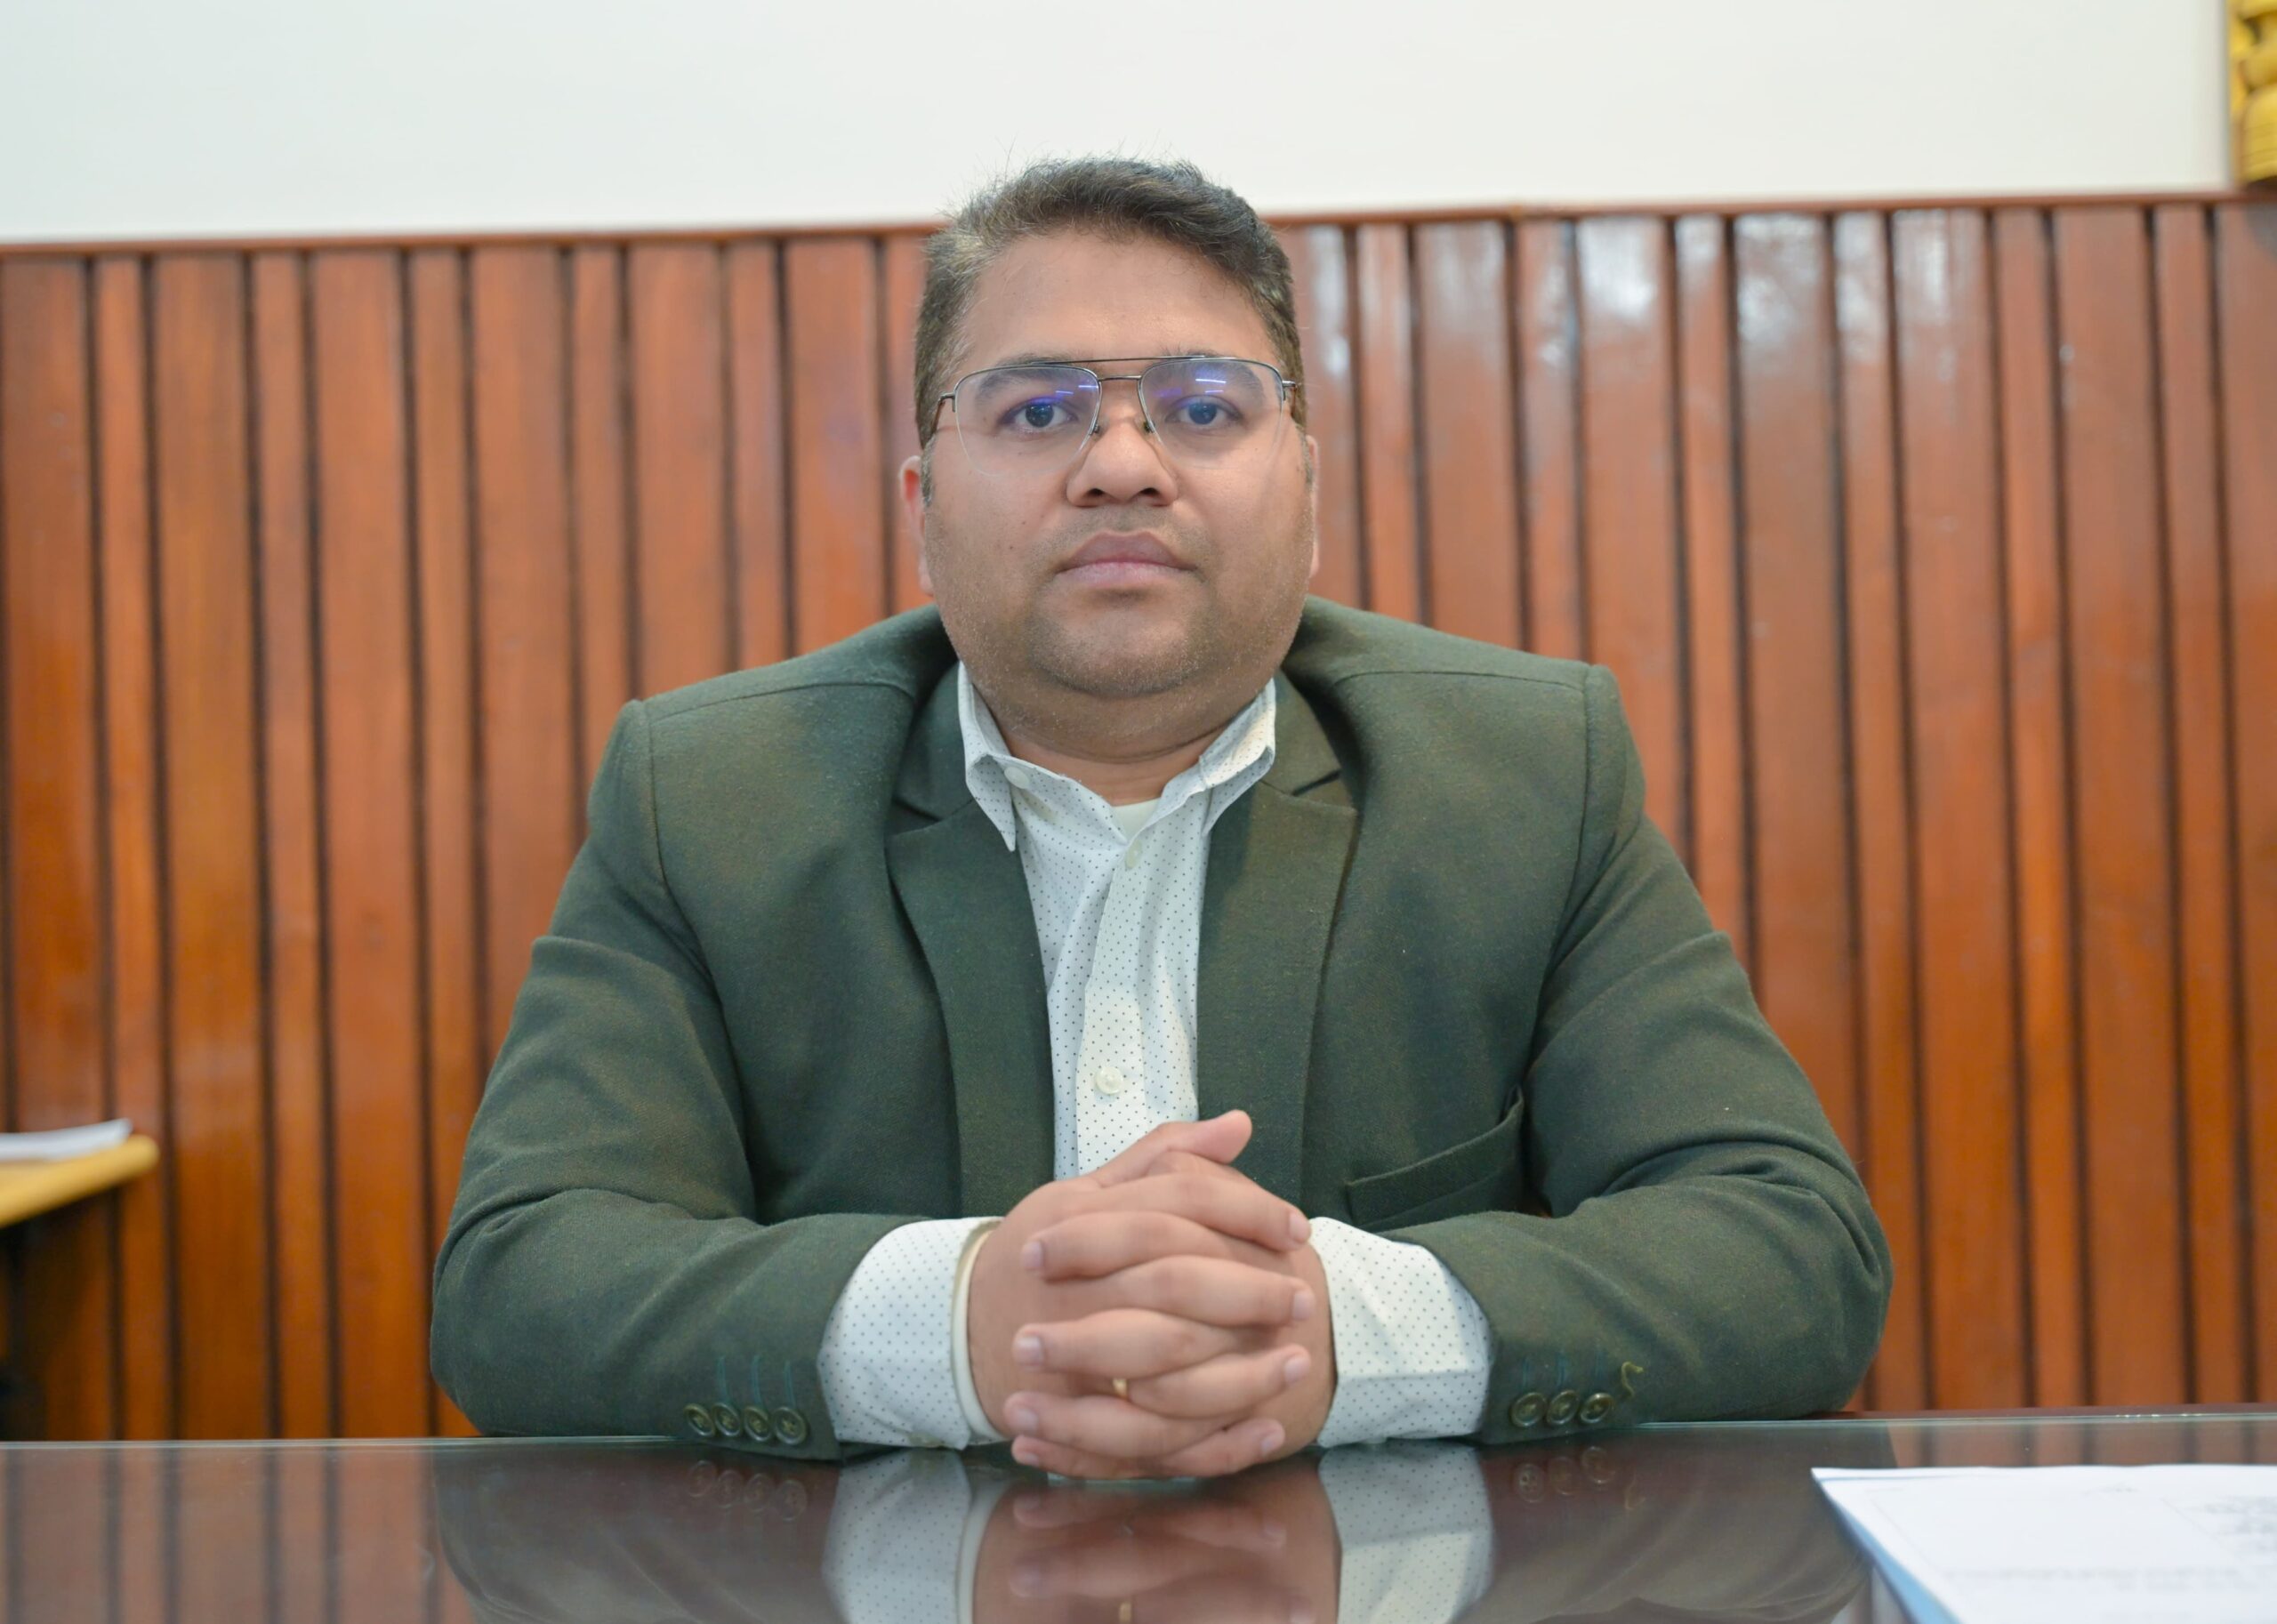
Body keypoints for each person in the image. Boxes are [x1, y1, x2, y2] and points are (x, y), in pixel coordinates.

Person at [430, 157, 1891, 1481]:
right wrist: (958, 1322)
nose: (1122, 462)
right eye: (1036, 409)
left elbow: (1787, 1249)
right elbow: (521, 1282)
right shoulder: (711, 797)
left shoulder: (1525, 773)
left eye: (1203, 407)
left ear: (1306, 491)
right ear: (923, 504)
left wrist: (1340, 1328)